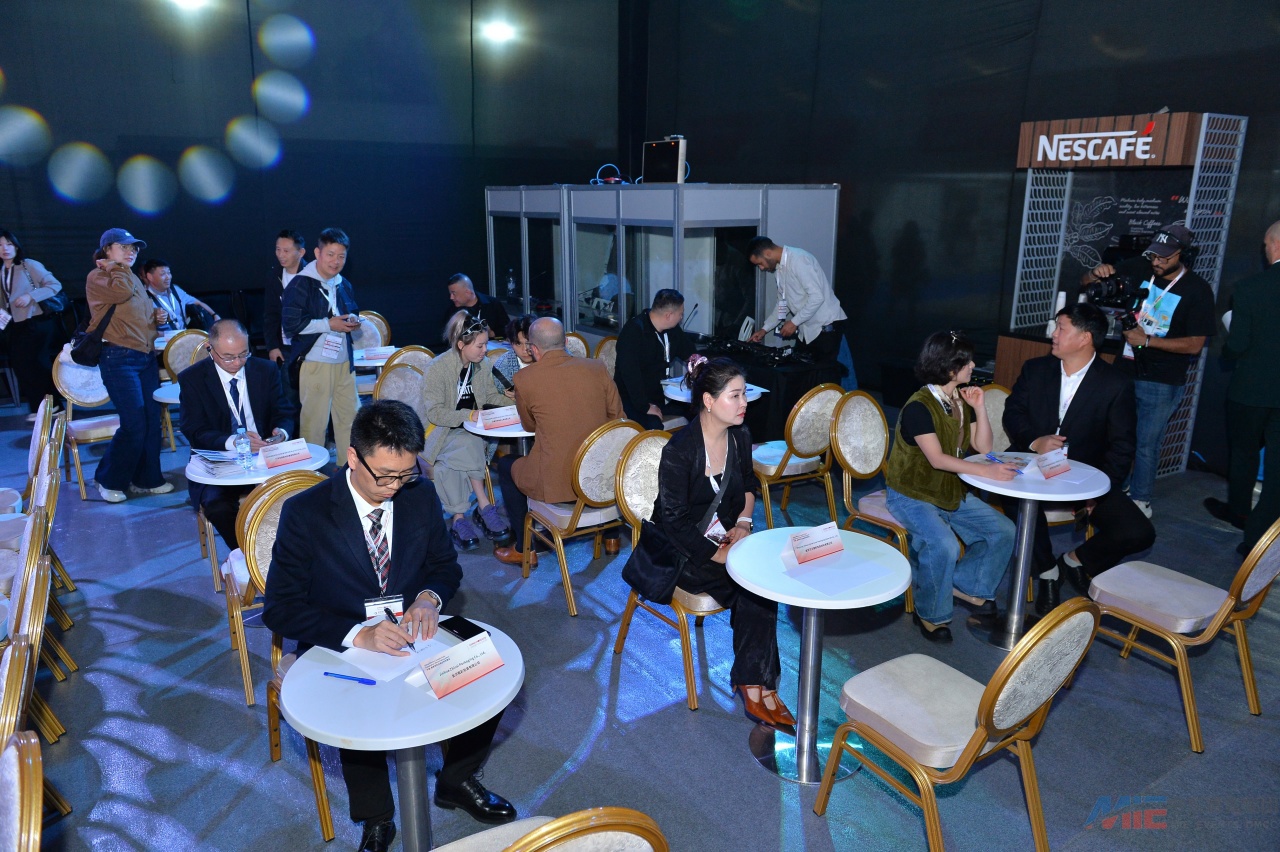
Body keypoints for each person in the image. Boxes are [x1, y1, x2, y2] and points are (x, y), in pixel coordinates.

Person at [262, 400, 515, 852]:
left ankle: (456, 779)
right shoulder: (307, 512)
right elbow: (280, 609)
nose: (395, 487)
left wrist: (428, 597)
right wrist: (358, 634)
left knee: (489, 672)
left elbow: (444, 566)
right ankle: (376, 817)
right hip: (339, 638)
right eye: (384, 476)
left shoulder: (419, 494)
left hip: (414, 632)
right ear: (353, 457)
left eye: (404, 474)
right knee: (356, 712)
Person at [653, 355, 796, 727]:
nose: (744, 402)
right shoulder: (679, 450)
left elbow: (748, 484)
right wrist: (719, 555)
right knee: (752, 589)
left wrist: (744, 524)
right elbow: (673, 522)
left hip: (726, 535)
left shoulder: (740, 436)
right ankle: (758, 686)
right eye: (735, 395)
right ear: (709, 401)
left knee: (761, 584)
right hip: (684, 551)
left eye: (744, 394)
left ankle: (758, 683)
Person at [1004, 303, 1156, 613]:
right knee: (1016, 501)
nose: (1053, 334)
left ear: (1085, 338)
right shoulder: (1036, 369)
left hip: (1085, 475)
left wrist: (1097, 492)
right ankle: (1048, 572)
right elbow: (1013, 413)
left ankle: (1075, 561)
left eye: (1061, 328)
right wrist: (1036, 441)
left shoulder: (1114, 384)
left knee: (1138, 532)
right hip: (1031, 464)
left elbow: (1122, 446)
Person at [883, 332, 1018, 642]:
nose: (973, 365)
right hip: (912, 493)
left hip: (947, 489)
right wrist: (987, 471)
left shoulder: (958, 399)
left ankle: (967, 586)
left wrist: (979, 407)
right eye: (966, 362)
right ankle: (930, 613)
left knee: (1002, 529)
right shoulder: (919, 407)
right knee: (943, 544)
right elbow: (937, 459)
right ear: (948, 367)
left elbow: (983, 447)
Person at [1081, 223, 1215, 518]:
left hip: (1162, 379)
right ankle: (1117, 488)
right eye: (1154, 255)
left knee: (1146, 443)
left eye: (1164, 257)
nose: (1156, 262)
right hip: (1124, 370)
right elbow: (1087, 282)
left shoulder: (1198, 290)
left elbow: (1195, 344)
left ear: (1183, 255)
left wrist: (1148, 341)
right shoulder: (1139, 267)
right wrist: (1095, 273)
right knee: (1116, 435)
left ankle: (1141, 500)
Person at [493, 318, 623, 566]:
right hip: (602, 483)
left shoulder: (525, 378)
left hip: (557, 486)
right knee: (601, 449)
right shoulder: (597, 368)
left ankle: (524, 549)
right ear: (565, 342)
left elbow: (529, 426)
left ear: (533, 349)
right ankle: (612, 537)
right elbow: (618, 419)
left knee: (507, 465)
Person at [178, 319, 293, 548]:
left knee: (302, 493)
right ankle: (247, 555)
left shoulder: (265, 370)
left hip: (264, 457)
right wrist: (234, 441)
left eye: (243, 354)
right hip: (219, 460)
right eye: (228, 357)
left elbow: (285, 411)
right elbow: (194, 430)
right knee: (217, 506)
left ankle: (285, 554)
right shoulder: (193, 379)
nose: (238, 362)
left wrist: (280, 433)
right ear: (211, 349)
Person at [1206, 220, 1280, 556]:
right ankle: (1259, 537)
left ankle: (1238, 510)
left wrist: (1229, 348)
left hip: (1250, 389)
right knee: (1277, 470)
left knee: (1244, 451)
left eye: (1265, 244)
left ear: (1274, 245)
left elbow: (1237, 346)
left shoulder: (1250, 288)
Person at [85, 228, 173, 503]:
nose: (131, 252)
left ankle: (147, 479)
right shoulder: (99, 275)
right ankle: (107, 479)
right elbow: (121, 293)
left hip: (144, 357)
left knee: (151, 422)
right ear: (106, 250)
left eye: (133, 248)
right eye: (123, 247)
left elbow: (131, 312)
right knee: (134, 424)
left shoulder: (128, 275)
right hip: (118, 358)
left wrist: (155, 316)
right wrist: (115, 267)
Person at [420, 311, 512, 550]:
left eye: (486, 344)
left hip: (469, 432)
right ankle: (484, 505)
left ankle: (458, 519)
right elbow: (435, 413)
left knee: (453, 459)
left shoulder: (483, 365)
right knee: (470, 443)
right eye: (480, 346)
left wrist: (515, 402)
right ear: (461, 344)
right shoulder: (437, 368)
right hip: (438, 432)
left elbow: (490, 396)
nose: (485, 350)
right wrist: (468, 415)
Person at [281, 227, 361, 462]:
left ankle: (349, 470)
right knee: (314, 424)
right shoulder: (301, 284)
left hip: (344, 362)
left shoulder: (343, 284)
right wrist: (329, 324)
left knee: (350, 420)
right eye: (331, 254)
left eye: (341, 256)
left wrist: (352, 320)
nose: (336, 261)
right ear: (317, 253)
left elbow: (351, 310)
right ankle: (311, 475)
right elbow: (291, 325)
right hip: (315, 362)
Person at [747, 236, 848, 362]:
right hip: (807, 331)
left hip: (826, 330)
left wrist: (794, 322)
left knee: (824, 372)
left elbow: (817, 297)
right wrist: (764, 329)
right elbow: (782, 304)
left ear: (768, 253)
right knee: (800, 369)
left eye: (760, 264)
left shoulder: (799, 259)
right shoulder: (779, 270)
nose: (761, 268)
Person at [0, 228, 65, 416]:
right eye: (0, 245)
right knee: (22, 366)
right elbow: (3, 302)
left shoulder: (29, 265)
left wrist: (30, 296)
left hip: (37, 321)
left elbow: (55, 285)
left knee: (37, 363)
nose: (5, 249)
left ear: (16, 246)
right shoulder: (2, 271)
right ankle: (44, 408)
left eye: (9, 244)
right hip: (17, 324)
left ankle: (51, 408)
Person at [613, 288, 696, 429]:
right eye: (680, 314)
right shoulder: (633, 332)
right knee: (653, 424)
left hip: (659, 394)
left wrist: (698, 361)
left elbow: (689, 353)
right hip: (631, 398)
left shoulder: (672, 329)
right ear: (668, 315)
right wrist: (645, 407)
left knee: (698, 408)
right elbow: (630, 376)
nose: (681, 318)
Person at [263, 229, 306, 413]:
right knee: (289, 399)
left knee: (314, 400)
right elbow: (270, 314)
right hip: (286, 347)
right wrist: (272, 346)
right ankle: (292, 432)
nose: (281, 255)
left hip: (310, 347)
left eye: (286, 251)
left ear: (301, 252)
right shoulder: (274, 276)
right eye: (277, 249)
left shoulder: (312, 275)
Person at [142, 259, 218, 333]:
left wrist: (215, 315)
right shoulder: (144, 298)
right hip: (163, 339)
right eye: (163, 274)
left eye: (169, 273)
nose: (168, 277)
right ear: (150, 277)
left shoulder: (176, 290)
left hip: (184, 334)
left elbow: (198, 303)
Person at [491, 314, 534, 397]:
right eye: (518, 344)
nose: (525, 349)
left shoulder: (551, 358)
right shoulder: (502, 370)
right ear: (510, 343)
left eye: (529, 343)